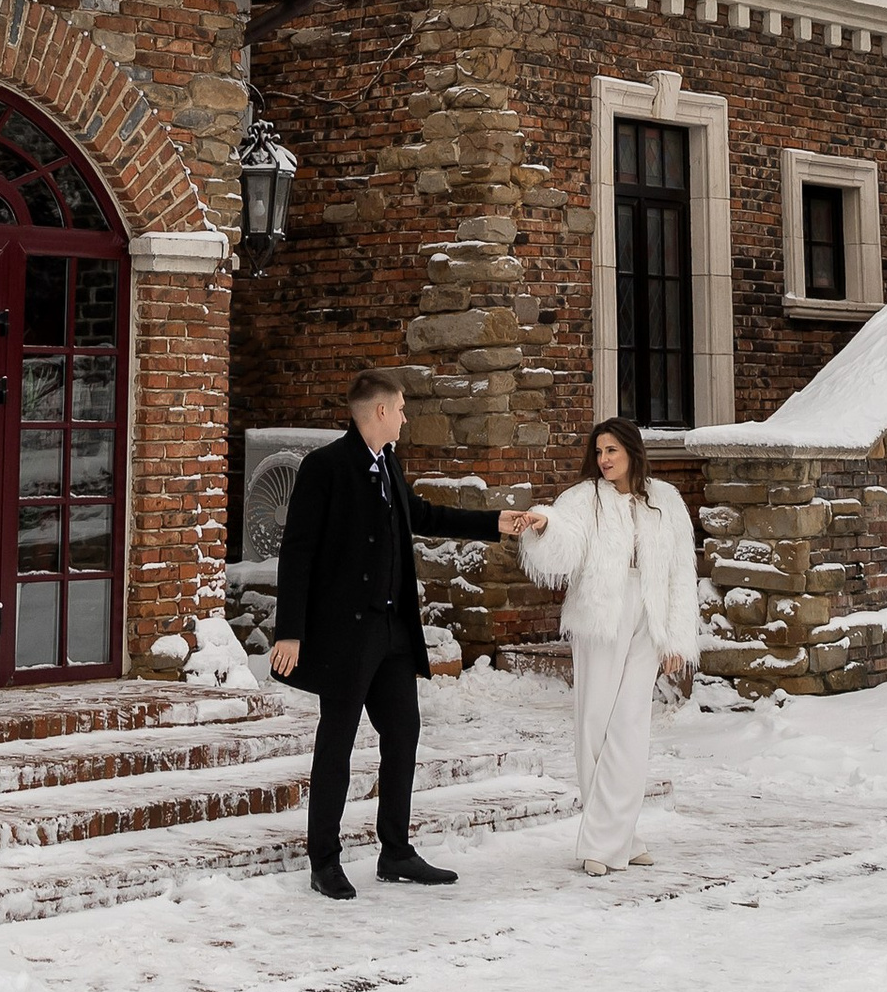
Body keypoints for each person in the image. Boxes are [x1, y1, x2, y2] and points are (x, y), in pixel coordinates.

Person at [269, 367, 536, 898]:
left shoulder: (388, 461)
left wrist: (493, 524)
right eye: (403, 408)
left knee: (403, 733)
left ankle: (395, 851)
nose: (408, 417)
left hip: (392, 630)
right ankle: (324, 860)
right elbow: (296, 551)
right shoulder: (324, 468)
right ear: (382, 412)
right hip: (345, 635)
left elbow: (420, 513)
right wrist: (290, 632)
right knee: (337, 743)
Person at [515, 416, 699, 876]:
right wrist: (544, 526)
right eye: (598, 452)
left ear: (633, 452)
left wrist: (676, 636)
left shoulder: (666, 500)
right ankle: (620, 834)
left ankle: (605, 840)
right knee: (595, 723)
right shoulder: (584, 498)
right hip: (602, 616)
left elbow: (681, 572)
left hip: (648, 615)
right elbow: (565, 544)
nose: (604, 460)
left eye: (612, 451)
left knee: (631, 725)